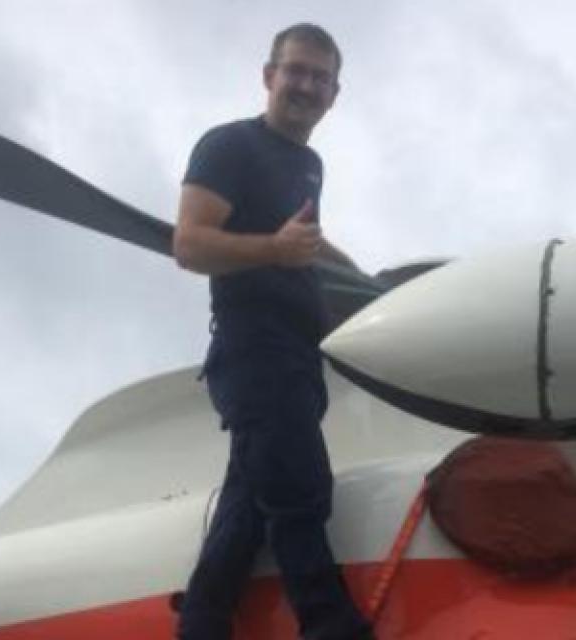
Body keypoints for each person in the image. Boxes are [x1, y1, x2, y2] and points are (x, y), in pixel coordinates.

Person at [172, 23, 374, 640]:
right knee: (299, 490)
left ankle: (202, 621)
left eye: (320, 78)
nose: (306, 86)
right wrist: (275, 251)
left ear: (335, 94)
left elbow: (305, 242)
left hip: (299, 355)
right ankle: (330, 623)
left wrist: (365, 283)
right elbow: (190, 244)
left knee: (247, 510)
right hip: (254, 348)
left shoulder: (308, 165)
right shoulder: (229, 145)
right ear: (269, 76)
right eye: (296, 71)